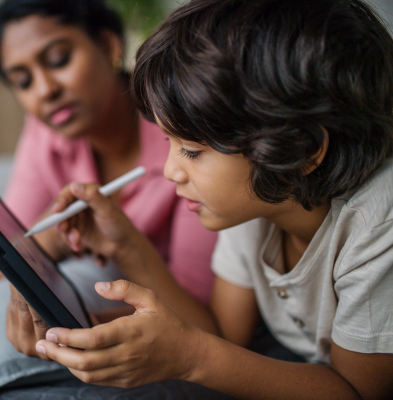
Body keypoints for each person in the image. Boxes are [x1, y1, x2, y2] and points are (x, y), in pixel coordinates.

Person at [29, 0, 393, 398]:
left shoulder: (378, 224)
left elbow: (358, 393)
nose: (170, 171)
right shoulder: (259, 200)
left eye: (192, 150)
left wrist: (190, 357)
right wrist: (119, 256)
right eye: (168, 142)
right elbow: (221, 333)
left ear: (300, 149)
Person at [0, 0, 219, 355]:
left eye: (59, 59)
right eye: (23, 80)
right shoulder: (45, 131)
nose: (44, 90)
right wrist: (51, 240)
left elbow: (202, 320)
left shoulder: (184, 135)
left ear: (109, 46)